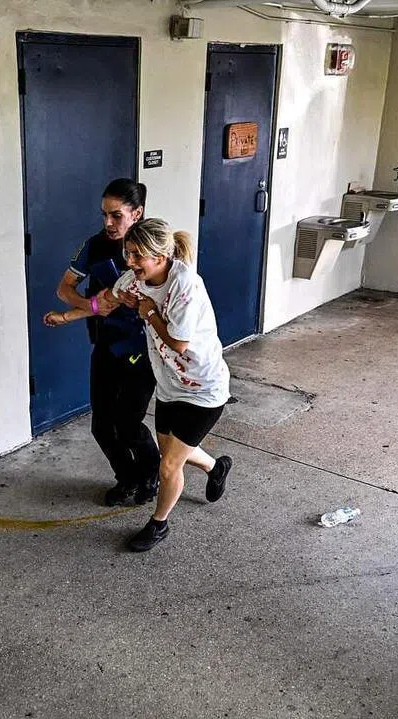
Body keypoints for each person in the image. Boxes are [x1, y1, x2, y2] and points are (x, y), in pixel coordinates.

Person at [112, 218, 234, 552]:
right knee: (172, 454)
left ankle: (159, 524)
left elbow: (179, 343)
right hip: (169, 384)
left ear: (160, 256)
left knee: (168, 466)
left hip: (203, 388)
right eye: (127, 253)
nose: (130, 261)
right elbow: (114, 294)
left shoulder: (185, 285)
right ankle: (216, 467)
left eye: (137, 255)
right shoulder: (138, 278)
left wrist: (149, 313)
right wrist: (77, 311)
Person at [42, 179, 160, 507]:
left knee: (129, 423)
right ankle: (127, 477)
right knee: (102, 426)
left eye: (116, 215)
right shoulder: (94, 246)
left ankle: (151, 474)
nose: (108, 222)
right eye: (104, 215)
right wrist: (93, 306)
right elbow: (64, 289)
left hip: (144, 351)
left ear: (137, 214)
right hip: (107, 344)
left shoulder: (153, 250)